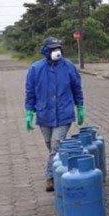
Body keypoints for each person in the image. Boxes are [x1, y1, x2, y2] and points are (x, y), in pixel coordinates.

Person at [24, 37, 85, 192]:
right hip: (44, 114)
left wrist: (80, 107)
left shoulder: (69, 66)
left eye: (57, 48)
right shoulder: (35, 69)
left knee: (56, 145)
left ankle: (51, 178)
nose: (56, 51)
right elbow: (30, 92)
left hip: (64, 113)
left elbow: (77, 87)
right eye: (52, 49)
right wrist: (29, 112)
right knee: (51, 146)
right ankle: (62, 167)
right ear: (45, 50)